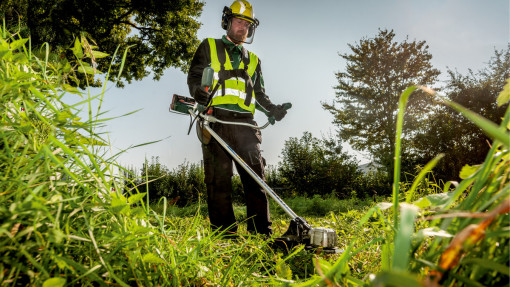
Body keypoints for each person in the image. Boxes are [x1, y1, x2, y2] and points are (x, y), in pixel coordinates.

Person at [187, 0, 289, 236]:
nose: (242, 27)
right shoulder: (208, 47)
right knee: (218, 182)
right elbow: (194, 77)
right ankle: (225, 236)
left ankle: (261, 233)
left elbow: (259, 94)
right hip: (215, 122)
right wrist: (198, 92)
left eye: (247, 24)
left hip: (245, 124)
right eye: (238, 21)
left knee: (256, 180)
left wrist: (272, 109)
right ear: (227, 22)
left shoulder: (253, 60)